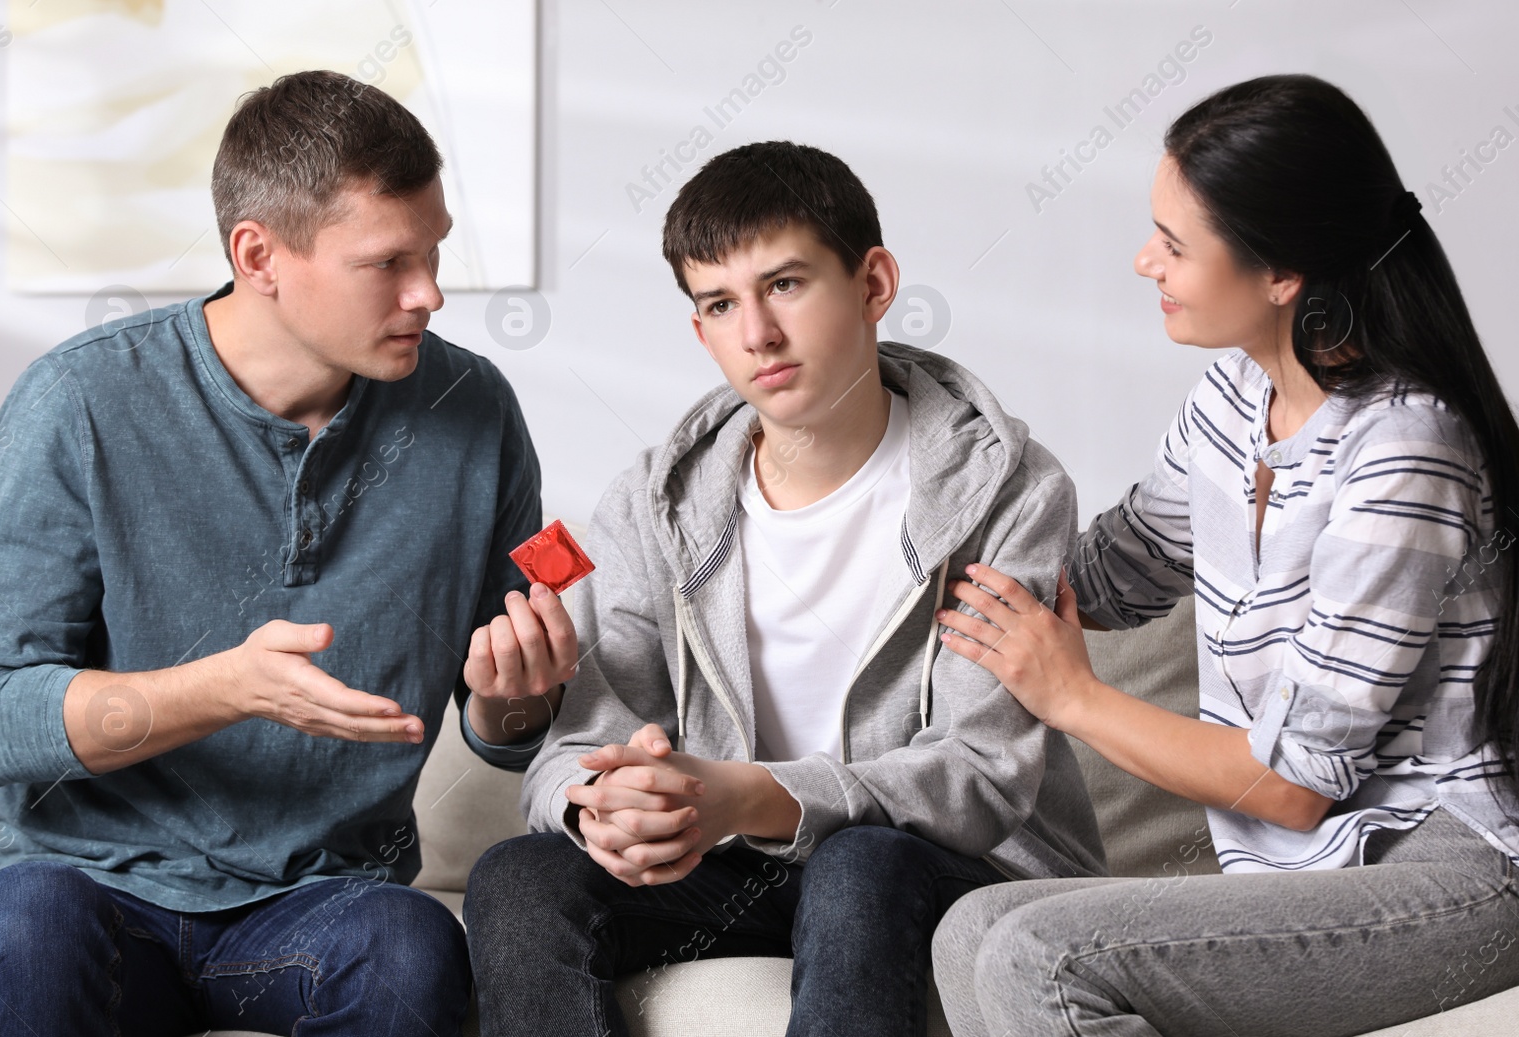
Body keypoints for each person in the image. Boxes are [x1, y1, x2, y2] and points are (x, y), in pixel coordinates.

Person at [0, 70, 575, 1036]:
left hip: (326, 901)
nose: (430, 292)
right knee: (27, 927)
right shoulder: (79, 403)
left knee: (409, 944)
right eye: (387, 262)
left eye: (435, 251)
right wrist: (225, 688)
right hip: (88, 889)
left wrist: (512, 696)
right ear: (259, 255)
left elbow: (506, 719)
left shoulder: (472, 411)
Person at [461, 140, 1106, 1037]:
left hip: (960, 875)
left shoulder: (1009, 490)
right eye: (721, 304)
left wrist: (754, 792)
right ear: (700, 330)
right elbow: (585, 740)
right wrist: (597, 802)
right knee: (519, 874)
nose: (757, 333)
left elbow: (978, 777)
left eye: (787, 285)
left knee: (858, 863)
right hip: (742, 863)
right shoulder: (655, 501)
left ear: (875, 284)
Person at [931, 74, 1519, 1036]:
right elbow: (1114, 572)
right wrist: (908, 525)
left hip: (1454, 871)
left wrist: (1073, 695)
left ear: (1281, 272)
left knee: (1045, 958)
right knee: (970, 932)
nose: (1142, 260)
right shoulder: (1231, 401)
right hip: (1319, 869)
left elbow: (1294, 785)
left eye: (1174, 243)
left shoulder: (1405, 448)